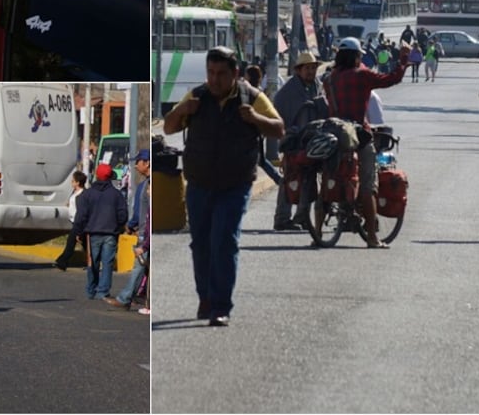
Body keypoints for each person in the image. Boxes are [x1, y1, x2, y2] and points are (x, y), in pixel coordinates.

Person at [164, 46, 285, 326]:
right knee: (201, 244)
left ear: (235, 74)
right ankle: (205, 298)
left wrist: (255, 119)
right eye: (210, 73)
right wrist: (182, 109)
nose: (214, 80)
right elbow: (169, 127)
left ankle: (220, 305)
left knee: (224, 241)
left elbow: (278, 128)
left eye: (221, 74)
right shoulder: (197, 96)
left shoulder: (251, 97)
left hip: (235, 184)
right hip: (199, 183)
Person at [321, 37, 408, 249]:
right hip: (359, 135)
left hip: (334, 134)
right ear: (357, 56)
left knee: (330, 175)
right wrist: (403, 60)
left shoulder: (329, 78)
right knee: (369, 185)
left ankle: (321, 225)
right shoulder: (362, 75)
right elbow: (390, 79)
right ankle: (371, 236)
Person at [272, 51, 327, 231]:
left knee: (309, 178)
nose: (311, 71)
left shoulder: (316, 86)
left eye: (313, 68)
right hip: (294, 141)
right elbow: (278, 112)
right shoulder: (289, 91)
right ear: (299, 70)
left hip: (312, 140)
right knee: (289, 179)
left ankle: (302, 216)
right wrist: (287, 133)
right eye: (307, 68)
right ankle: (282, 218)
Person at [71, 162, 128, 300]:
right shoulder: (117, 194)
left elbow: (81, 216)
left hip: (92, 233)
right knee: (107, 263)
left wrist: (78, 232)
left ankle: (91, 289)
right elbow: (123, 215)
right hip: (111, 233)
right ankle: (103, 291)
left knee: (92, 262)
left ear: (97, 175)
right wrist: (118, 227)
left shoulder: (88, 194)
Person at [104, 166, 150, 312]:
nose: (136, 165)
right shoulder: (144, 184)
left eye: (139, 162)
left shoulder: (147, 185)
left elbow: (142, 213)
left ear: (147, 163)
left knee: (139, 267)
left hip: (145, 234)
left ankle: (126, 298)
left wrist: (133, 226)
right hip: (143, 232)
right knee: (142, 268)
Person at [53, 170, 87, 270]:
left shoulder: (83, 195)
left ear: (78, 182)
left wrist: (79, 226)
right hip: (73, 221)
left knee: (71, 243)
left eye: (73, 181)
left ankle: (62, 261)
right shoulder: (74, 192)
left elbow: (81, 211)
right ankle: (92, 262)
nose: (71, 182)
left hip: (79, 223)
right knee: (84, 243)